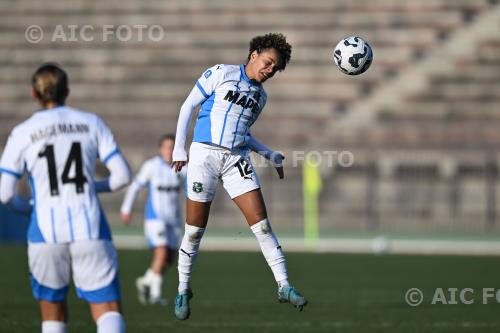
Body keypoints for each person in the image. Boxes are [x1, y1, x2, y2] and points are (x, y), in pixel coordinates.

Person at [171, 33, 308, 320]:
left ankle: (283, 285)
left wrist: (269, 154)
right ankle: (183, 288)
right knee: (194, 231)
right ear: (254, 53)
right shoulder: (222, 73)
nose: (270, 70)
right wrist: (178, 148)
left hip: (236, 160)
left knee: (263, 226)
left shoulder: (261, 96)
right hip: (203, 156)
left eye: (275, 68)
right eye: (269, 62)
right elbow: (188, 106)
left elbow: (243, 135)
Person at [0, 63, 130, 333]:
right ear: (67, 91)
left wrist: (27, 208)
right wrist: (92, 188)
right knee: (107, 310)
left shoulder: (22, 132)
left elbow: (5, 194)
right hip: (90, 227)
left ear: (34, 94)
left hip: (44, 231)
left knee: (52, 315)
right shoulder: (91, 122)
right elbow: (122, 177)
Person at [120, 134, 186, 305]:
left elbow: (188, 191)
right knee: (161, 252)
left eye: (172, 147)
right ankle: (156, 295)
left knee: (168, 259)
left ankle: (145, 281)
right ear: (160, 149)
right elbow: (135, 187)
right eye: (166, 147)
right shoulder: (151, 166)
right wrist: (126, 209)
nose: (169, 150)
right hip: (155, 218)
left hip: (174, 219)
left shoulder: (182, 168)